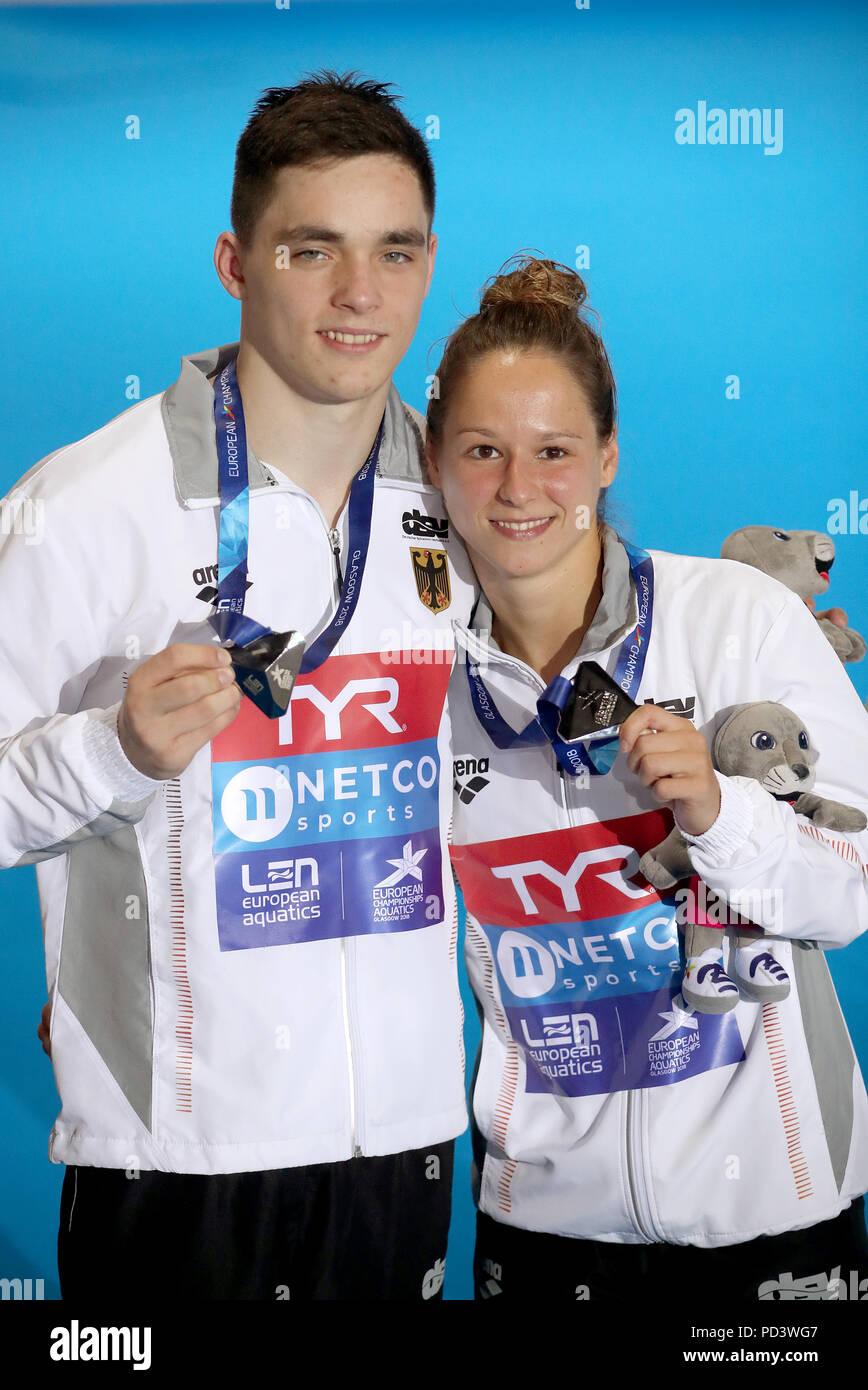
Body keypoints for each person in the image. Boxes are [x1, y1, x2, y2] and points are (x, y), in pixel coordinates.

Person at [0, 71, 476, 1301]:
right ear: (235, 259)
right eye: (312, 250)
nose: (360, 295)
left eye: (395, 252)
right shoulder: (81, 506)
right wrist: (112, 752)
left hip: (407, 1148)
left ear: (431, 265)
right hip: (179, 1162)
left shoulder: (471, 500)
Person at [425, 255, 868, 1301]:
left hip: (773, 1217)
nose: (519, 489)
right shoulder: (413, 676)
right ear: (436, 462)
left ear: (609, 455)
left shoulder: (734, 616)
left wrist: (720, 814)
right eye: (482, 450)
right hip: (542, 1227)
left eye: (555, 450)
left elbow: (853, 882)